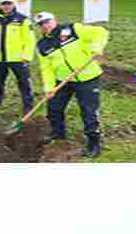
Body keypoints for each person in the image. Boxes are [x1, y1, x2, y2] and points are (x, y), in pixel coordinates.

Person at [34, 11, 111, 158]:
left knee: (89, 112)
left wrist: (96, 48)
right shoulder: (42, 45)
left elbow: (101, 32)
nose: (45, 25)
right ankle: (58, 135)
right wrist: (49, 88)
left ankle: (93, 144)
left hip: (87, 77)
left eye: (47, 21)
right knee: (54, 108)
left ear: (54, 20)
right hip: (63, 81)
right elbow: (46, 69)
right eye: (41, 24)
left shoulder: (72, 29)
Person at [0, 0, 36, 113]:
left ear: (14, 4)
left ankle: (28, 104)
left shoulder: (23, 20)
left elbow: (30, 40)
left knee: (24, 82)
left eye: (9, 3)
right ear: (0, 5)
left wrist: (26, 57)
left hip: (18, 59)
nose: (6, 6)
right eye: (4, 4)